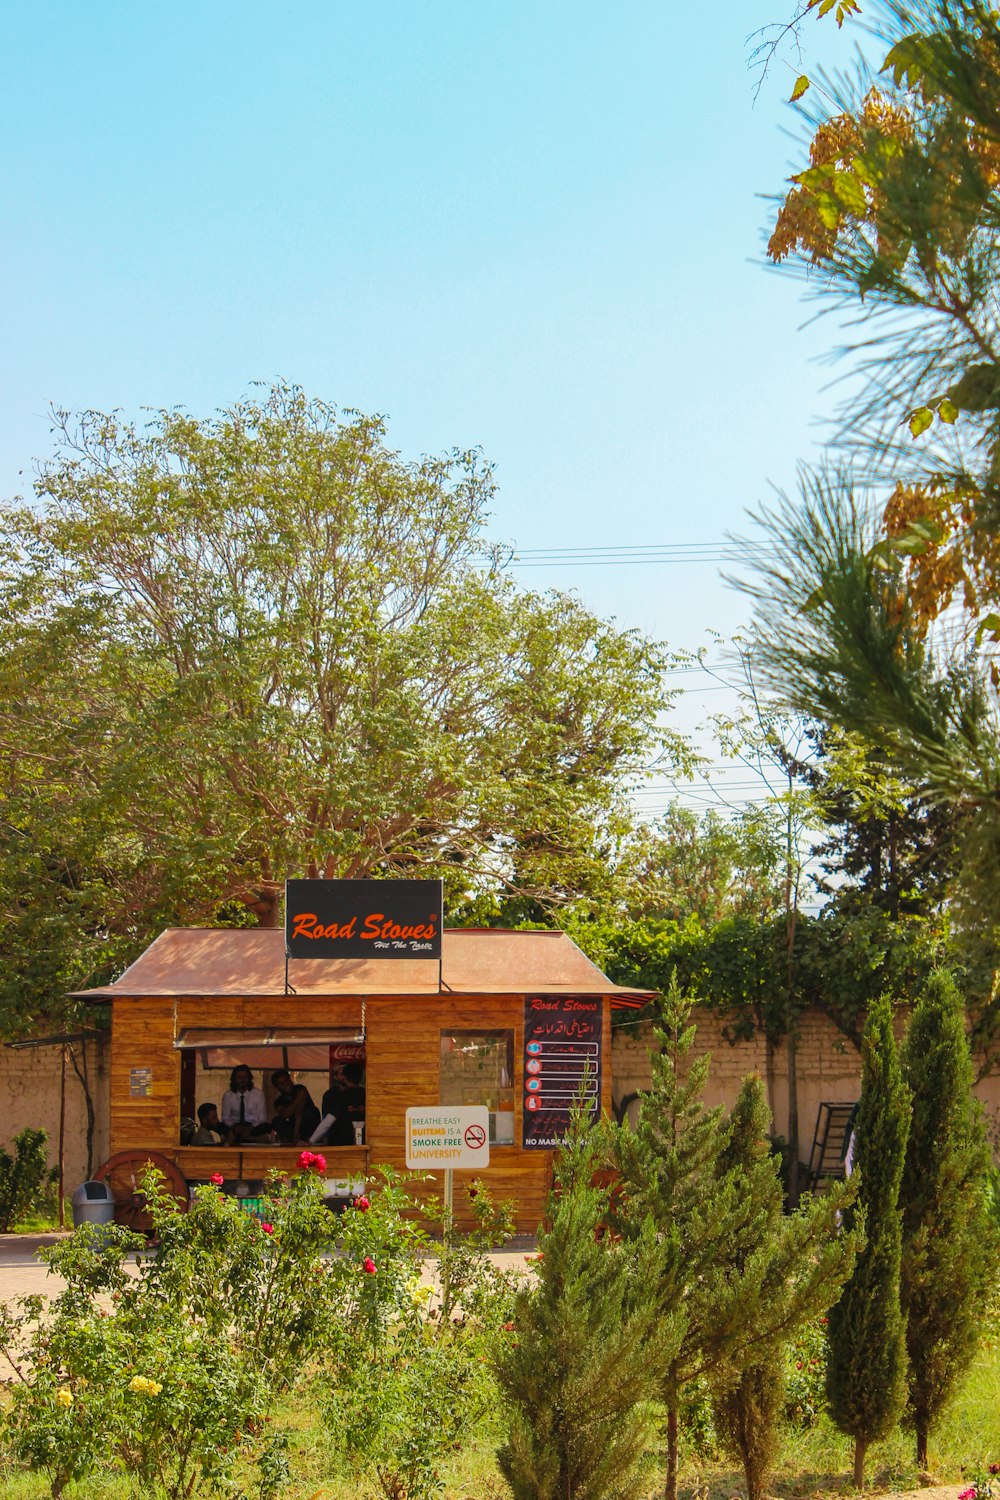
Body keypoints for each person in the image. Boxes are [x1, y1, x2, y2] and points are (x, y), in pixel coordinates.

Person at [270, 1068, 320, 1144]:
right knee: (276, 1121)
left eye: (287, 1081)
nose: (286, 1085)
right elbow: (284, 1115)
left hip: (306, 1123)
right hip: (293, 1127)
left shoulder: (300, 1088)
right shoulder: (279, 1101)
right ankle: (297, 1138)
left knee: (312, 1111)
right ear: (277, 1087)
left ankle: (303, 1138)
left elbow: (299, 1111)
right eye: (282, 1084)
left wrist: (297, 1131)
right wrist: (299, 1099)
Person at [320, 1061, 365, 1146]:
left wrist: (311, 1141)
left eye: (343, 1073)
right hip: (362, 1142)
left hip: (341, 1142)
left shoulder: (343, 1096)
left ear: (345, 1077)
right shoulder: (366, 1094)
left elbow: (327, 1120)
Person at [221, 1065, 270, 1142]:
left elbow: (262, 1118)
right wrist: (235, 1127)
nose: (242, 1080)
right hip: (235, 1126)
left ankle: (246, 1135)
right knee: (221, 1126)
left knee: (266, 1126)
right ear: (234, 1079)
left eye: (245, 1077)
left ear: (249, 1078)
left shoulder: (258, 1094)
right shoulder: (228, 1095)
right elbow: (225, 1118)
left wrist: (249, 1129)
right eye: (239, 1077)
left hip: (253, 1126)